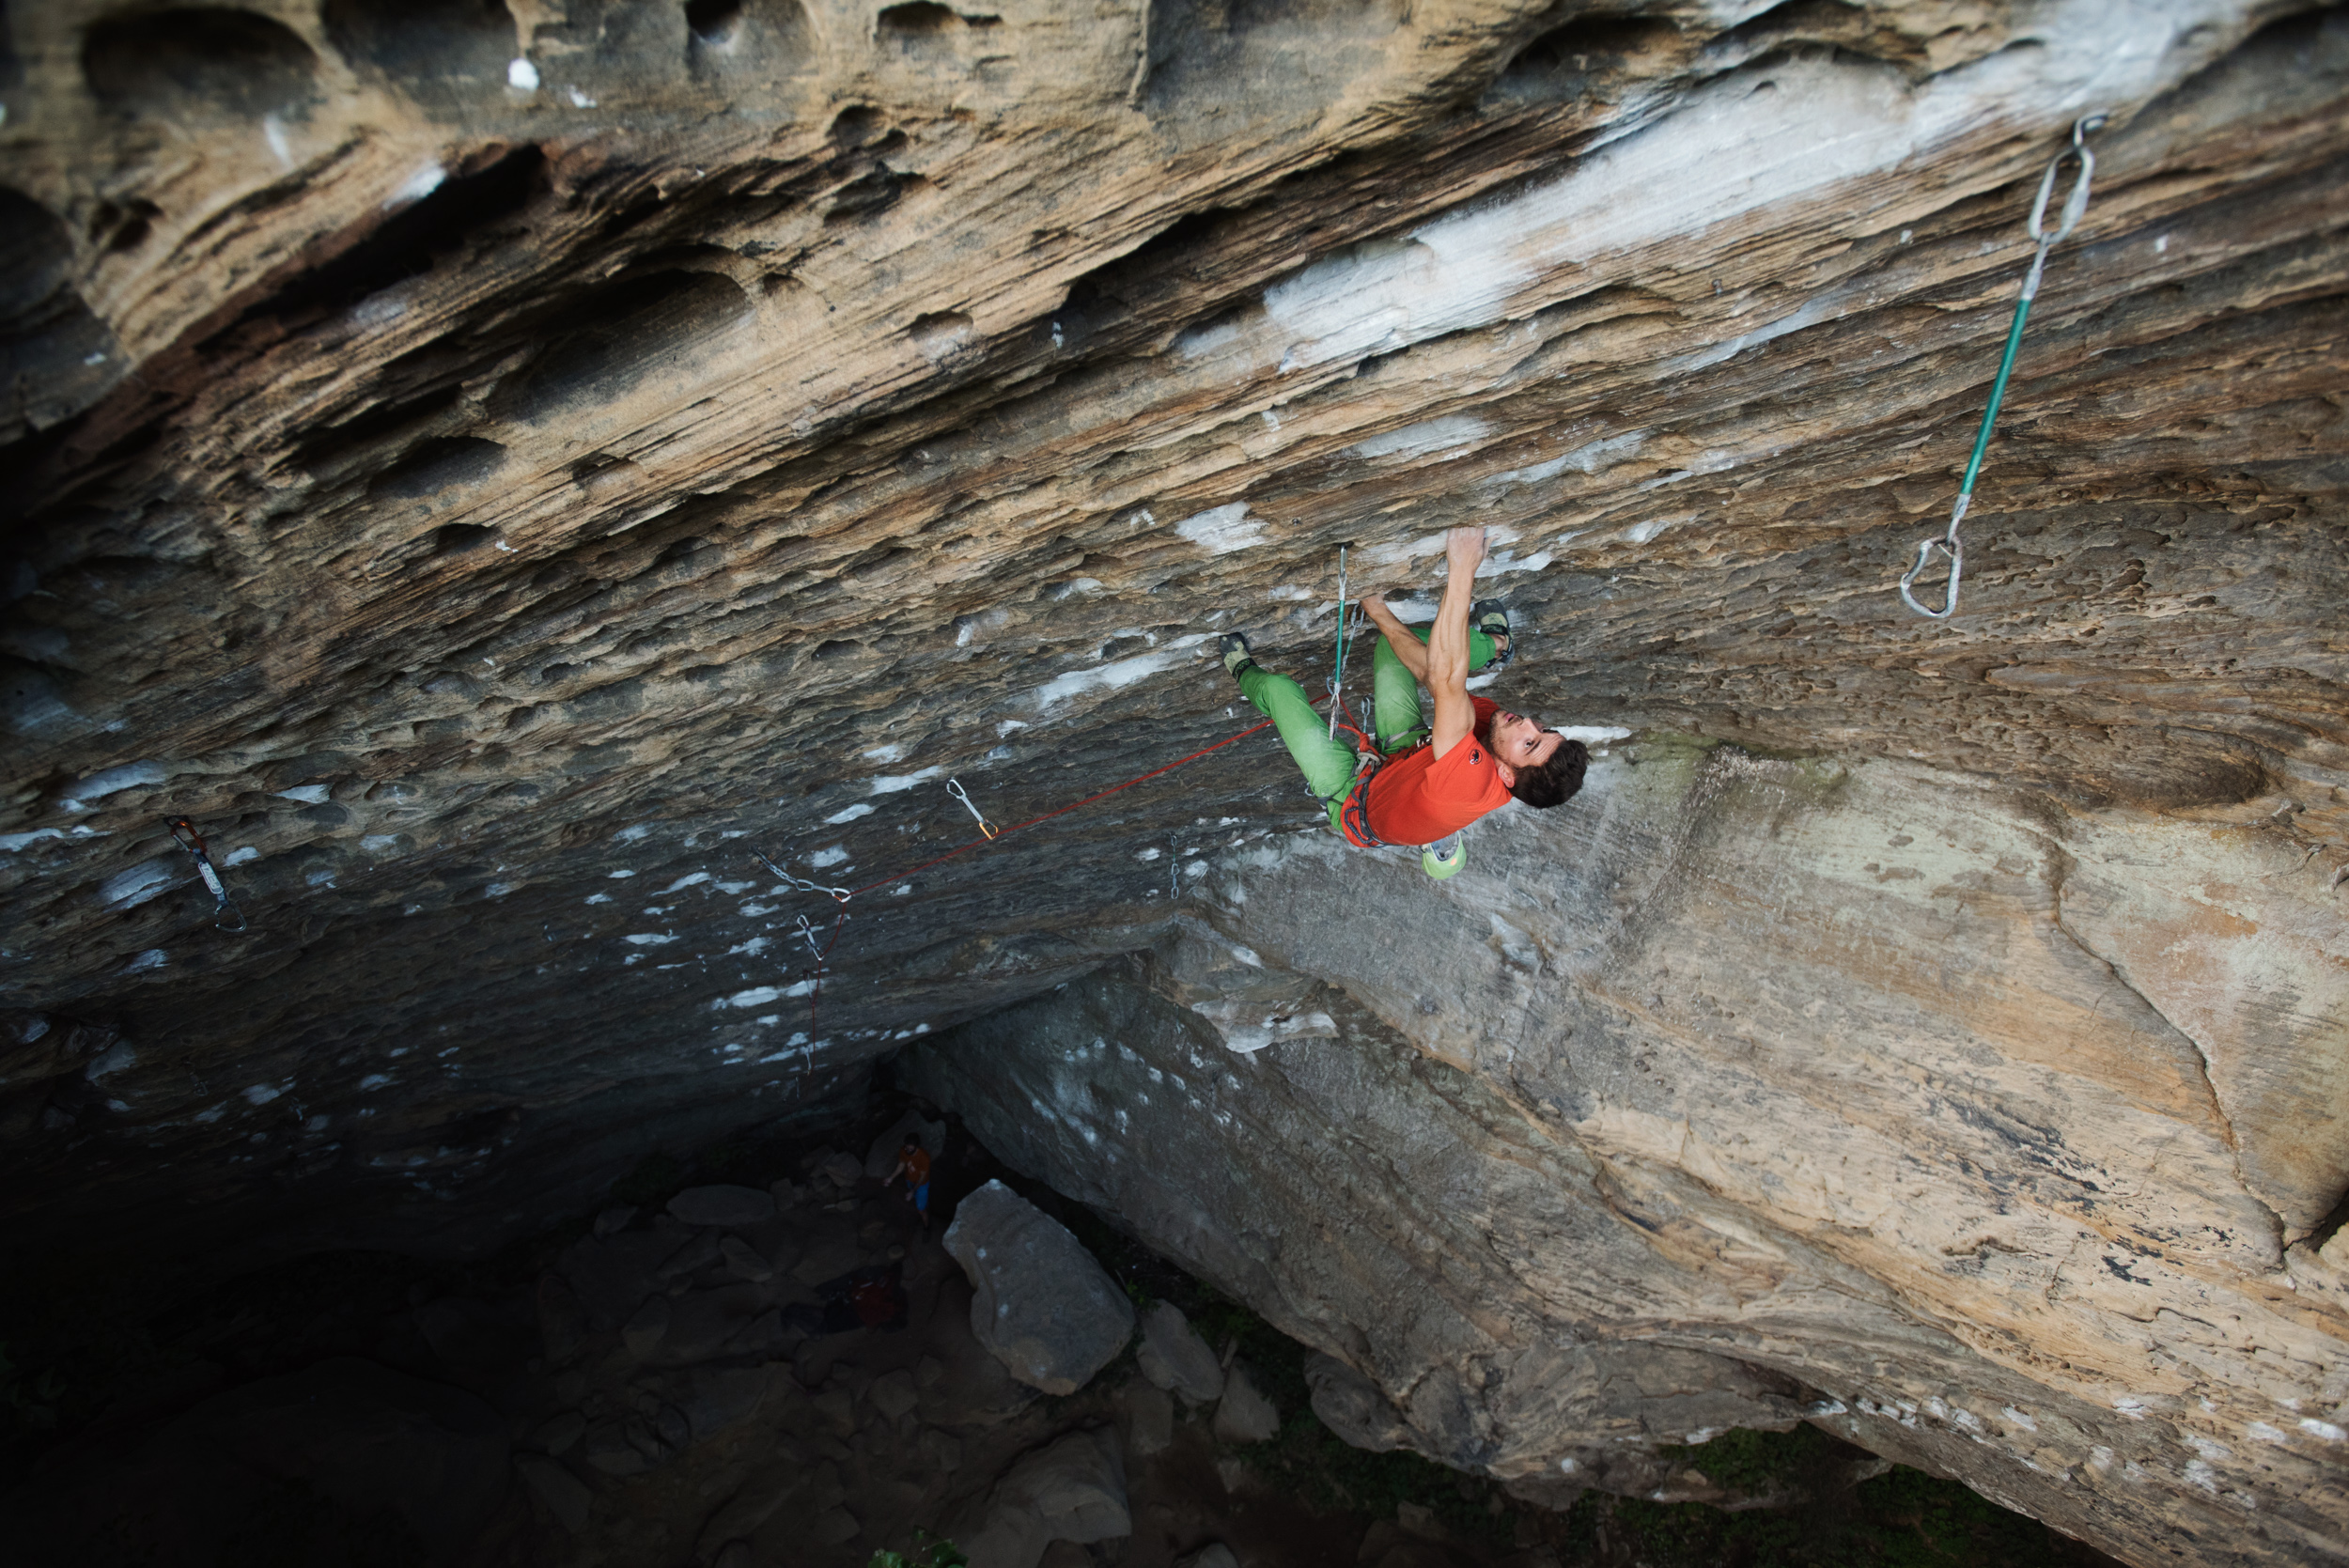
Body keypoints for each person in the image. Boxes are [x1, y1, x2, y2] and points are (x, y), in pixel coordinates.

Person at [1220, 525, 1586, 874]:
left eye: (1530, 742)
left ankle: (1243, 672)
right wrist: (1380, 616)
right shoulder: (1496, 732)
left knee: (1280, 691)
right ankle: (1497, 645)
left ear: (1506, 773)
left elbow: (1445, 678)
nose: (1527, 722)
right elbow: (1434, 675)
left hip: (1351, 798)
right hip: (1408, 756)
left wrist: (1461, 566)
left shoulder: (1471, 783)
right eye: (1543, 728)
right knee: (1400, 649)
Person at [885, 1135, 932, 1232]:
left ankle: (927, 1227)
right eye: (906, 1146)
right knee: (912, 1199)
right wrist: (891, 1178)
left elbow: (922, 1177)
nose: (907, 1149)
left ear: (916, 1146)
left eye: (910, 1147)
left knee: (921, 1210)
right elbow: (901, 1165)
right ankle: (920, 1203)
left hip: (921, 1185)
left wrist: (913, 1191)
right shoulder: (904, 1150)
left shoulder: (924, 1157)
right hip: (909, 1180)